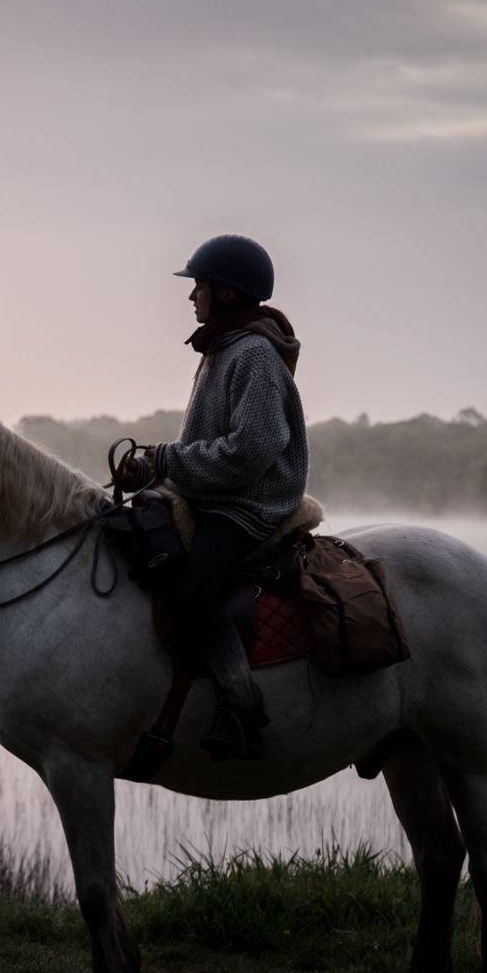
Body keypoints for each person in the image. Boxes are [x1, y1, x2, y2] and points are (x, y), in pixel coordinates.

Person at [118, 234, 307, 761]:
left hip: (247, 504)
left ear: (225, 293)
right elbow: (210, 444)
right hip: (213, 494)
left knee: (196, 595)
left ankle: (243, 711)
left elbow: (251, 452)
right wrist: (154, 467)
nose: (190, 296)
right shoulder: (223, 348)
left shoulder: (252, 356)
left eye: (198, 284)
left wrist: (167, 461)